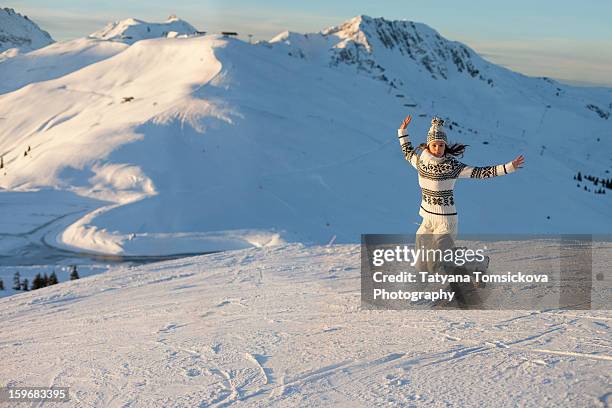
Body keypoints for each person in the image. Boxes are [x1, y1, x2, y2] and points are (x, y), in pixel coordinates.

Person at [397, 114, 525, 306]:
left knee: (438, 261)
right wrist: (402, 132)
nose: (438, 149)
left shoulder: (452, 166)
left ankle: (476, 264)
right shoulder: (420, 162)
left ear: (445, 146)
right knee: (421, 262)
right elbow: (407, 152)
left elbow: (479, 172)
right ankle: (419, 294)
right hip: (427, 219)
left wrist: (508, 167)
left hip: (445, 222)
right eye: (435, 145)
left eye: (441, 145)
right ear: (428, 145)